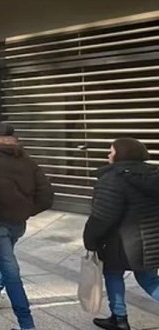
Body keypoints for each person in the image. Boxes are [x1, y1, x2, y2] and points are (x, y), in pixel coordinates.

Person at [0, 123, 54, 330]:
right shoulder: (27, 159)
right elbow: (46, 197)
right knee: (4, 258)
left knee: (11, 271)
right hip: (19, 223)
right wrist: (26, 210)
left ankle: (26, 325)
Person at [83, 138, 159, 330]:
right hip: (151, 241)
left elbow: (103, 216)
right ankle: (118, 318)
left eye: (111, 151)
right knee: (149, 280)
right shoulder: (153, 175)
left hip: (119, 242)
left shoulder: (112, 179)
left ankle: (120, 319)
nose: (108, 155)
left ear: (121, 155)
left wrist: (90, 239)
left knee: (113, 274)